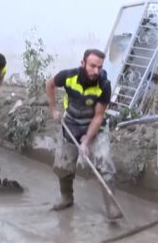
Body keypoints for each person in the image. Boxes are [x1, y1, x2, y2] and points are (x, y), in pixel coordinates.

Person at [45, 49, 122, 220]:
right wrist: (54, 109)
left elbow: (98, 116)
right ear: (83, 64)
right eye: (92, 66)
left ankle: (112, 207)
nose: (96, 71)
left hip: (95, 129)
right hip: (71, 124)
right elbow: (49, 84)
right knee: (62, 167)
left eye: (99, 67)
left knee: (106, 166)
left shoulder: (104, 85)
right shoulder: (68, 76)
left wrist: (86, 142)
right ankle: (66, 197)